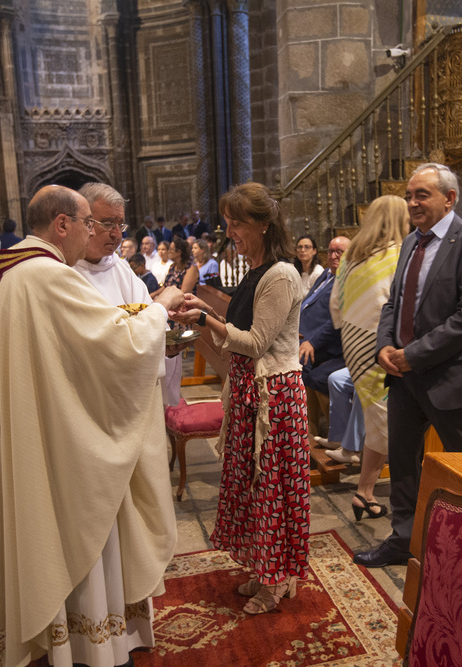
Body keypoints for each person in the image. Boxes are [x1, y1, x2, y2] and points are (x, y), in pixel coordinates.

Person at [0, 184, 183, 667]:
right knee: (84, 532)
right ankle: (93, 646)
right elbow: (114, 341)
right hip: (73, 440)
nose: (97, 233)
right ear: (63, 224)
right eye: (90, 223)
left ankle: (67, 637)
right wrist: (163, 306)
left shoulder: (12, 273)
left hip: (50, 426)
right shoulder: (49, 275)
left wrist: (148, 311)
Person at [168, 182, 309, 615]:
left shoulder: (282, 273)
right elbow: (241, 320)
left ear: (264, 224)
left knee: (272, 490)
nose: (231, 232)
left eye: (238, 224)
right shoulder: (256, 270)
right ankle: (266, 571)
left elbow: (255, 341)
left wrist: (205, 319)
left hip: (275, 396)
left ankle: (277, 582)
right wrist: (202, 307)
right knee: (251, 488)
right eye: (227, 224)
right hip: (253, 393)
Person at [354, 163, 462, 568]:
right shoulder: (410, 243)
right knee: (402, 462)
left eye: (422, 195)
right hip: (403, 377)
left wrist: (411, 354)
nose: (412, 203)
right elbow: (393, 304)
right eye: (409, 195)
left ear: (449, 198)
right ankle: (405, 540)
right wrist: (384, 346)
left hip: (449, 374)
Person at [329, 195, 409, 520]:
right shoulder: (398, 254)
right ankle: (410, 502)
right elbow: (402, 305)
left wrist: (350, 330)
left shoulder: (352, 255)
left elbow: (336, 302)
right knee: (391, 422)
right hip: (384, 344)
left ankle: (364, 493)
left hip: (354, 340)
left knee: (377, 418)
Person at [73, 182, 182, 406]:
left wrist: (166, 346)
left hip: (136, 392)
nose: (116, 234)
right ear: (85, 223)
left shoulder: (121, 268)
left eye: (120, 225)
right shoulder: (66, 273)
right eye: (107, 223)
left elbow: (148, 314)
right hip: (91, 396)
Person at [299, 236, 350, 396]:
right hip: (302, 334)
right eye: (330, 251)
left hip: (323, 342)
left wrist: (312, 343)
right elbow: (308, 302)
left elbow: (337, 321)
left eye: (339, 252)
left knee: (298, 363)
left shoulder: (348, 279)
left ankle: (298, 416)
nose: (333, 256)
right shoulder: (327, 273)